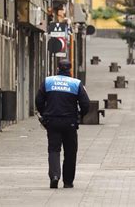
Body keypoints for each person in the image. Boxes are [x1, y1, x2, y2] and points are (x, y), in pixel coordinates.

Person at [35, 60, 90, 189]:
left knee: (54, 150)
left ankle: (54, 176)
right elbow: (85, 104)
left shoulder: (48, 81)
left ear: (57, 68)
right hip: (69, 122)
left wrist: (45, 114)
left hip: (52, 122)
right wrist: (80, 117)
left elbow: (39, 100)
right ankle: (68, 181)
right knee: (70, 152)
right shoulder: (76, 84)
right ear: (70, 69)